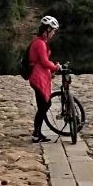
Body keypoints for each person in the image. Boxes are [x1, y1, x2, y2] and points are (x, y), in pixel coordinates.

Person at [28, 14, 61, 142]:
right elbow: (44, 61)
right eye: (53, 31)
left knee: (44, 105)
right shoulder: (40, 43)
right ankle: (36, 133)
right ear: (47, 30)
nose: (53, 33)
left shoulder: (40, 42)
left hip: (40, 76)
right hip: (38, 77)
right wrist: (55, 67)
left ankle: (38, 132)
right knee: (44, 105)